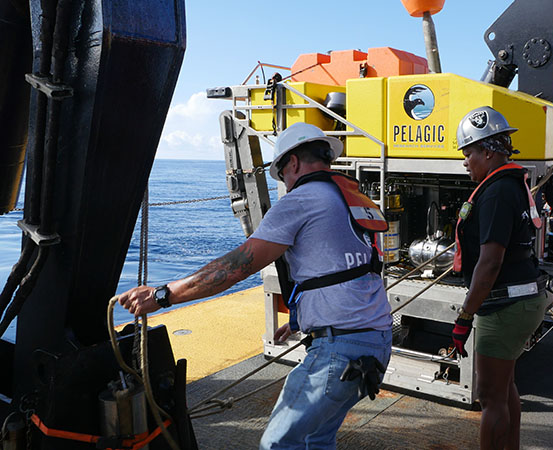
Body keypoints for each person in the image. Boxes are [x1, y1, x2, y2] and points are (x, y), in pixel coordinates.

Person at [117, 122, 393, 449]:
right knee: (315, 440)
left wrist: (164, 294)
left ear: (292, 163)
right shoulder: (349, 199)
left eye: (284, 176)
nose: (287, 185)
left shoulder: (301, 200)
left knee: (279, 444)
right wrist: (303, 323)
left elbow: (237, 267)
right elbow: (345, 269)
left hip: (342, 349)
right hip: (373, 340)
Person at [450, 106, 548, 450]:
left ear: (487, 152)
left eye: (468, 153)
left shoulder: (495, 193)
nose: (465, 162)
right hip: (525, 298)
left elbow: (490, 263)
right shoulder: (513, 184)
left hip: (505, 306)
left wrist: (464, 317)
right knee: (505, 389)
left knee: (489, 397)